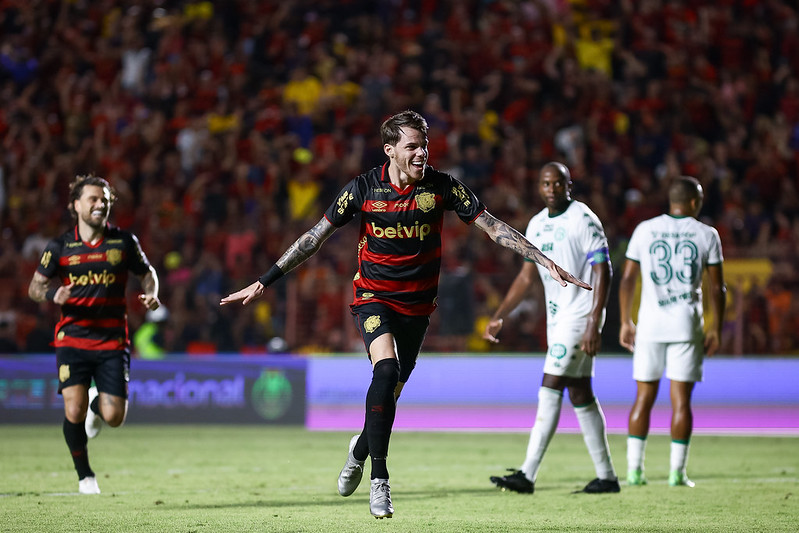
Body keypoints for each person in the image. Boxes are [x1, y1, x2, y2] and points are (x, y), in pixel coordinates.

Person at [220, 111, 591, 519]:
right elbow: (314, 237)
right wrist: (264, 281)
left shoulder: (442, 186)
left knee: (389, 396)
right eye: (412, 146)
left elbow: (492, 226)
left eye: (424, 145)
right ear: (390, 150)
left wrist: (543, 260)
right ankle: (380, 480)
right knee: (385, 372)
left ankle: (360, 450)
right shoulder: (363, 188)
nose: (421, 153)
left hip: (416, 309)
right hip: (373, 298)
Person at [485, 162, 620, 495]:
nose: (551, 189)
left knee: (551, 384)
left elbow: (604, 270)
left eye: (558, 183)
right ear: (539, 186)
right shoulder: (536, 224)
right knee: (580, 393)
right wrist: (501, 312)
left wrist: (593, 321)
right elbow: (526, 276)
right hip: (558, 319)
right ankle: (607, 477)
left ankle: (527, 475)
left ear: (568, 185)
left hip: (580, 317)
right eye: (546, 183)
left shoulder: (584, 219)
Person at [28, 174, 161, 494]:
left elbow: (148, 274)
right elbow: (35, 287)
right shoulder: (60, 246)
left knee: (114, 417)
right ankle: (85, 475)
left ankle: (95, 406)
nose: (100, 204)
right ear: (76, 205)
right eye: (93, 199)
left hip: (113, 340)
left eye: (104, 200)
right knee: (70, 409)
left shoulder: (124, 242)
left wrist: (152, 293)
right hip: (72, 337)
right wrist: (51, 296)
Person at [619, 175, 726, 488]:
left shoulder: (645, 229)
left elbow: (627, 280)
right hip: (686, 325)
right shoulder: (707, 234)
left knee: (643, 399)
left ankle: (634, 472)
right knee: (681, 402)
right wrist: (715, 326)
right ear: (694, 202)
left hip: (649, 326)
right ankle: (677, 473)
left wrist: (626, 319)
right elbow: (717, 287)